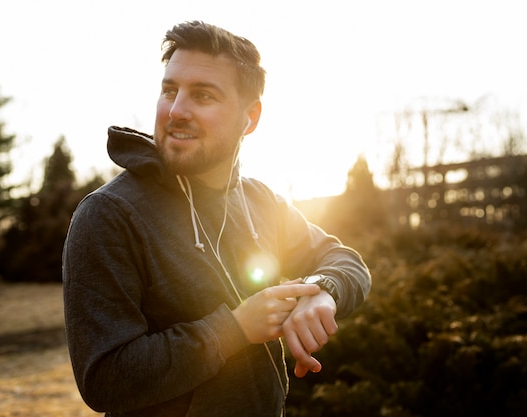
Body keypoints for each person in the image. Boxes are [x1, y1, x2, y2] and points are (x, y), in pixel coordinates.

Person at [63, 20, 371, 417]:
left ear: (250, 118)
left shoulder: (261, 200)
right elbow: (103, 379)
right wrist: (235, 330)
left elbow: (347, 261)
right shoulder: (108, 215)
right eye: (169, 90)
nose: (176, 111)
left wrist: (323, 291)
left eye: (203, 95)